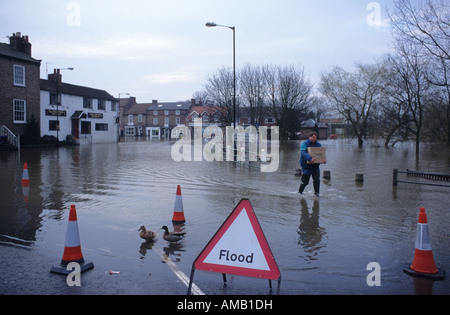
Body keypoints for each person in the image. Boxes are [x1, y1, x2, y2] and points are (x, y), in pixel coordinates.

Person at [299, 131, 327, 196]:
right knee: (305, 182)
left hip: (315, 166)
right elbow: (303, 153)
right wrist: (310, 159)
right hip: (307, 166)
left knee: (317, 180)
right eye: (313, 137)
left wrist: (324, 159)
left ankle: (317, 194)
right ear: (310, 137)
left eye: (315, 137)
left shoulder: (318, 144)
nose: (314, 138)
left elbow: (321, 153)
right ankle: (300, 193)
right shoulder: (305, 144)